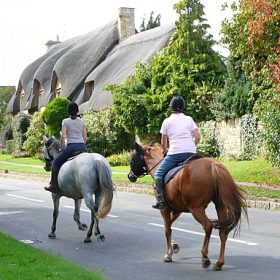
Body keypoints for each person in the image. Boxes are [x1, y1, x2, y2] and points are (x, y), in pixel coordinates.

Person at [152, 95, 201, 209]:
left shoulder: (167, 121)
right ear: (183, 107)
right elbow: (198, 137)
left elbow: (163, 141)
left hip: (175, 154)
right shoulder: (189, 119)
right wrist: (192, 146)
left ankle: (161, 200)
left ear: (171, 107)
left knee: (158, 174)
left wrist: (165, 151)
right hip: (191, 153)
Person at [44, 102, 88, 193]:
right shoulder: (82, 121)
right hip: (83, 147)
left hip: (71, 147)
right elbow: (85, 137)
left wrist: (61, 146)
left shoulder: (65, 121)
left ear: (68, 111)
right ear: (77, 111)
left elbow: (63, 136)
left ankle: (53, 185)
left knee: (55, 163)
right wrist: (82, 145)